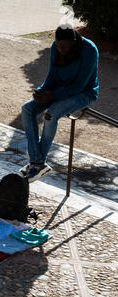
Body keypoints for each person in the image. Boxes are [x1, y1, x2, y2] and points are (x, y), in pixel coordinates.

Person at [20, 24, 99, 182]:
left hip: (84, 93)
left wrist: (52, 95)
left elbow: (80, 85)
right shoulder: (55, 47)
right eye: (58, 45)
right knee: (27, 109)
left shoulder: (89, 50)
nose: (60, 49)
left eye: (64, 47)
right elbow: (52, 76)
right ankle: (37, 161)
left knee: (52, 113)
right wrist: (41, 91)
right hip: (56, 90)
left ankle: (37, 163)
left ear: (73, 42)